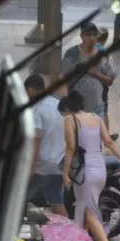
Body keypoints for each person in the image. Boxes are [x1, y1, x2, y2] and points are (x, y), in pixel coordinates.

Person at [59, 90, 120, 241]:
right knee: (88, 213)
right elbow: (108, 141)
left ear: (68, 108)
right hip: (100, 170)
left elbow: (70, 147)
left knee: (90, 214)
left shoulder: (70, 119)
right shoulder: (95, 117)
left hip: (85, 173)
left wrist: (65, 173)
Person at [24, 74, 68, 216]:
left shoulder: (36, 110)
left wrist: (30, 169)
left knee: (18, 199)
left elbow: (36, 141)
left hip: (42, 166)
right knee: (56, 202)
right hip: (58, 163)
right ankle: (70, 234)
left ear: (31, 90)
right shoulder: (57, 104)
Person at [60, 22, 117, 126]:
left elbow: (110, 81)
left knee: (96, 140)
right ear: (82, 36)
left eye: (94, 35)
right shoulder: (72, 54)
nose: (91, 38)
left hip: (97, 109)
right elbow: (62, 78)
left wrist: (96, 73)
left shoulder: (102, 55)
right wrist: (65, 99)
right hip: (76, 108)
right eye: (88, 35)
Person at [95, 28, 118, 141]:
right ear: (105, 39)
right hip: (101, 87)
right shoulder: (103, 52)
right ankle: (106, 137)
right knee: (103, 111)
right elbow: (111, 73)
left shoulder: (86, 50)